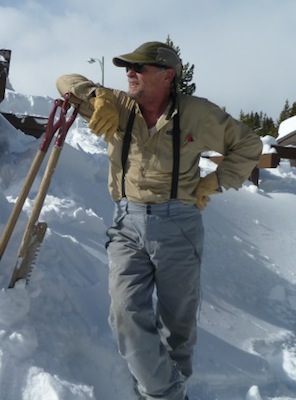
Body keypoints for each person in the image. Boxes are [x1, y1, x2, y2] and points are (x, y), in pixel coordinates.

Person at [56, 41, 262, 400]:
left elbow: (248, 145)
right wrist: (95, 94)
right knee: (124, 312)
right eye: (127, 69)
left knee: (177, 326)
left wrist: (215, 181)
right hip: (126, 222)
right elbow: (63, 80)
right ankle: (165, 394)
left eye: (140, 68)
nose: (130, 74)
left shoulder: (196, 113)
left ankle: (162, 388)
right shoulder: (117, 104)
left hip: (178, 223)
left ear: (168, 75)